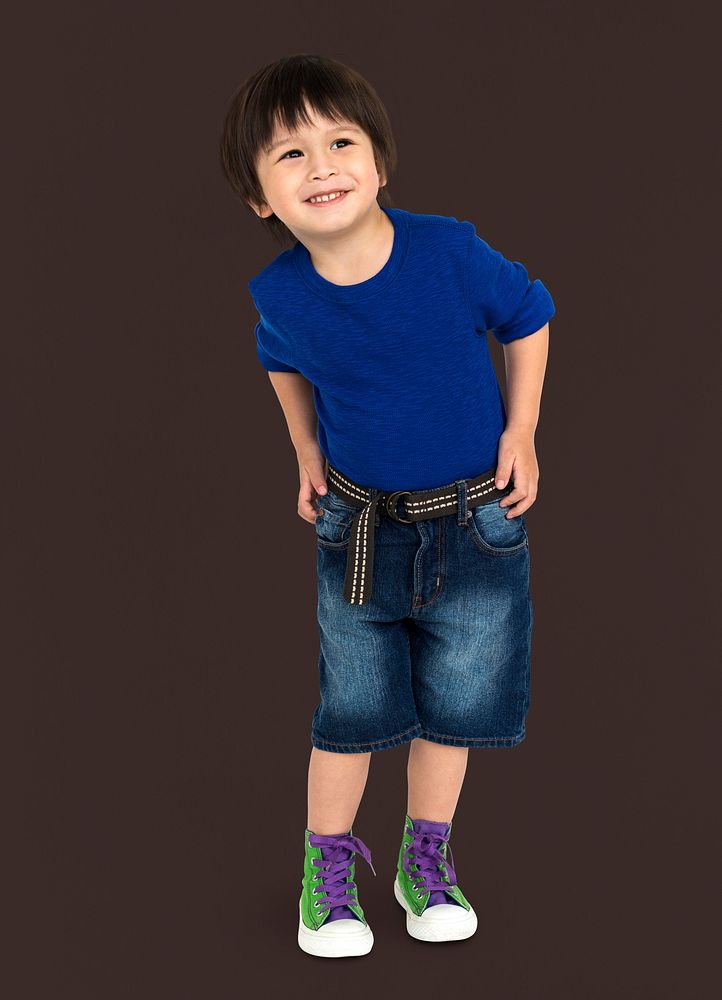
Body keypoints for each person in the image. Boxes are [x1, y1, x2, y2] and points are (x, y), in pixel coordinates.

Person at [219, 53, 555, 958]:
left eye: (340, 142)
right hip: (359, 527)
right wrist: (304, 447)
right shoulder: (280, 293)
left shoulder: (447, 250)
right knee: (355, 710)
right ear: (261, 198)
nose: (321, 166)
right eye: (289, 156)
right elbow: (278, 359)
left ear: (378, 161)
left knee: (456, 705)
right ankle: (325, 877)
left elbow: (528, 314)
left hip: (476, 520)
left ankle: (425, 861)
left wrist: (520, 430)